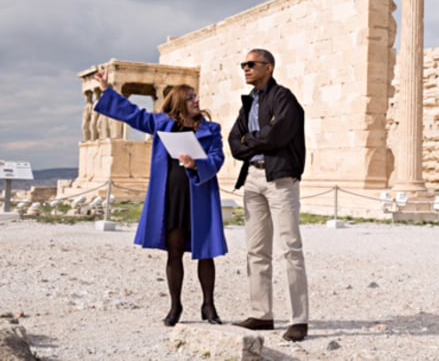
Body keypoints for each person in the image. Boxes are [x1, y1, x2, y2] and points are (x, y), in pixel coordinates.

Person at [93, 69, 227, 327]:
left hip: (200, 195)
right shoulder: (162, 124)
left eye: (196, 96)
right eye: (190, 98)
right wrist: (107, 90)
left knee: (205, 252)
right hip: (172, 197)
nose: (197, 100)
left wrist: (197, 164)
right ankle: (175, 306)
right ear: (178, 103)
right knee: (174, 251)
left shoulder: (211, 129)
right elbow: (133, 114)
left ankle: (208, 304)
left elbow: (217, 158)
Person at [228, 48, 309, 342]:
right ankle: (262, 314)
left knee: (291, 248)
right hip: (252, 179)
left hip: (280, 179)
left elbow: (278, 135)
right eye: (244, 65)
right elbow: (233, 143)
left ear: (269, 68)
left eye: (252, 64)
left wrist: (251, 139)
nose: (246, 69)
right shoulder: (248, 103)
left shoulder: (284, 98)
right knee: (256, 249)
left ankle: (299, 319)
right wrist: (255, 139)